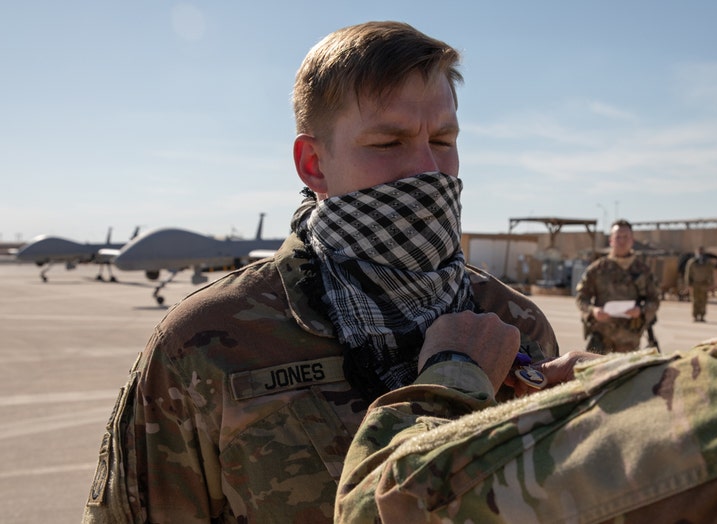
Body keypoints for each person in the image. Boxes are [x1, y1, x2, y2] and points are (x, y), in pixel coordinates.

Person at [333, 1, 717, 521]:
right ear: (314, 165)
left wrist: (456, 370)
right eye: (388, 143)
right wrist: (610, 379)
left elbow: (377, 507)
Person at [81, 21, 558, 524]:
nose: (428, 170)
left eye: (443, 140)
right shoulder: (207, 344)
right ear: (313, 164)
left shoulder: (512, 321)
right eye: (388, 142)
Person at [574, 219, 660, 353]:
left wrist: (641, 311)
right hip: (600, 339)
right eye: (618, 237)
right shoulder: (597, 269)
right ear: (611, 240)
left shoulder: (643, 271)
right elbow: (581, 298)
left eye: (626, 237)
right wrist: (593, 311)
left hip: (629, 340)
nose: (622, 241)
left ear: (632, 240)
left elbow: (654, 300)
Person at [684, 246, 715, 321]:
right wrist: (688, 284)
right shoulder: (692, 262)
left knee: (703, 300)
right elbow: (688, 273)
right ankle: (695, 316)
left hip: (704, 284)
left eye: (702, 251)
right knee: (695, 300)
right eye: (699, 251)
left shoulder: (707, 262)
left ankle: (702, 316)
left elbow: (711, 273)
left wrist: (711, 283)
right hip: (695, 284)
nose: (700, 253)